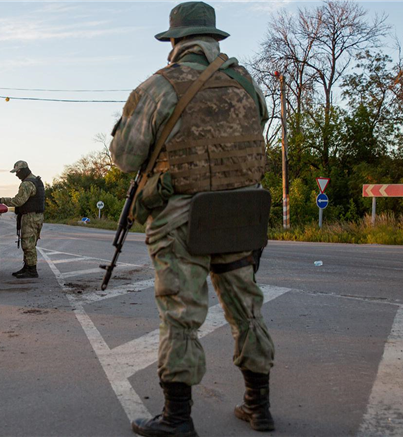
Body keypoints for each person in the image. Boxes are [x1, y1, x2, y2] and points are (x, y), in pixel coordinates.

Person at [109, 2, 275, 435]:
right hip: (241, 214)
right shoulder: (245, 83)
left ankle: (177, 419)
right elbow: (256, 128)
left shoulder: (159, 87)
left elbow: (125, 158)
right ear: (214, 39)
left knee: (181, 315)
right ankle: (259, 407)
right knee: (248, 309)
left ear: (175, 43)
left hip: (182, 217)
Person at [0, 161, 45, 279]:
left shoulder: (27, 184)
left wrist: (1, 200)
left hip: (30, 217)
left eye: (17, 172)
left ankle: (31, 270)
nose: (16, 175)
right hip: (36, 216)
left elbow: (18, 201)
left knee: (28, 243)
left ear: (23, 170)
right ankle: (27, 267)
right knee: (29, 242)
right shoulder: (36, 180)